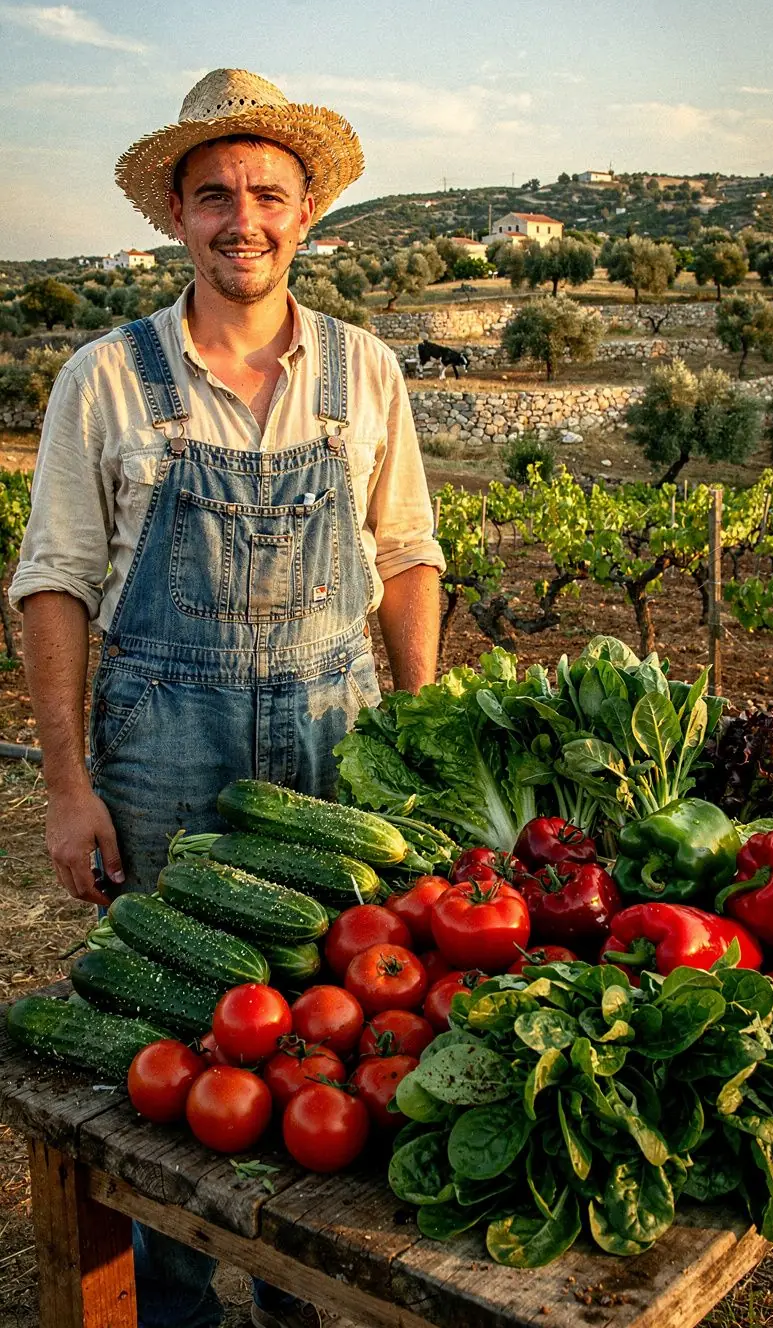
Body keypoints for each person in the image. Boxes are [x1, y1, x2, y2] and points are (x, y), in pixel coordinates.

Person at [11, 68, 445, 1328]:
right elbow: (55, 586)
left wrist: (414, 733)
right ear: (176, 219)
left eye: (266, 192)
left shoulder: (363, 371)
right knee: (178, 1045)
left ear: (307, 213)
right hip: (161, 749)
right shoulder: (106, 377)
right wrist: (67, 787)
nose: (240, 217)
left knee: (338, 1022)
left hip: (336, 739)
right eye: (213, 197)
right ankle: (184, 1297)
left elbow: (408, 554)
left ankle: (304, 1291)